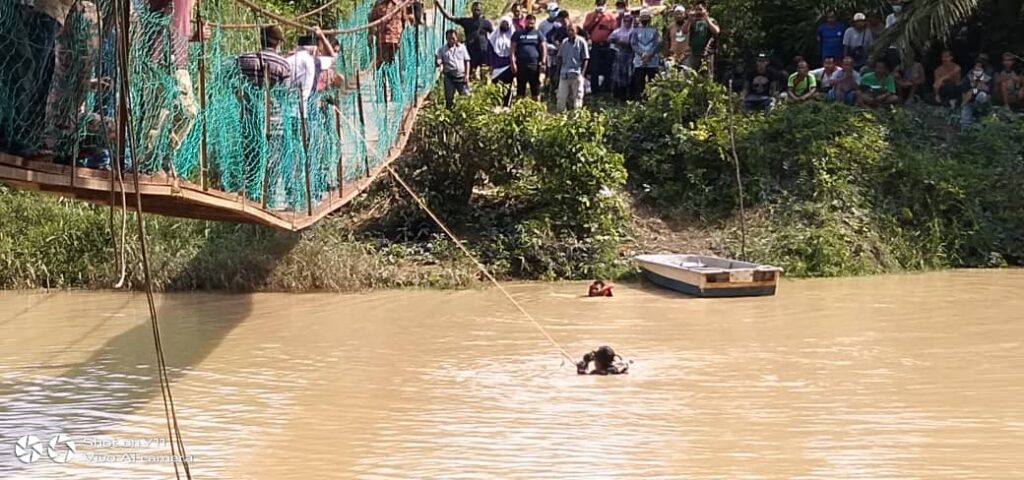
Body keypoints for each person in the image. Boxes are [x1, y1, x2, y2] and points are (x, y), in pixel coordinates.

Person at [0, 0, 75, 156]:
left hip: (50, 10)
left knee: (39, 75)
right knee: (24, 65)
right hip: (40, 9)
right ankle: (13, 133)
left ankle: (21, 135)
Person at [236, 26, 292, 204]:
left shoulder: (244, 59)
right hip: (275, 122)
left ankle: (252, 196)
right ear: (279, 43)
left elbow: (226, 72)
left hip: (250, 118)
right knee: (272, 163)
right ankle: (269, 200)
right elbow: (286, 93)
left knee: (251, 158)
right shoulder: (283, 64)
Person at [436, 1, 493, 80]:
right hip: (471, 51)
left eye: (478, 9)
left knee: (485, 75)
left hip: (484, 51)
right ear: (471, 10)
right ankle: (469, 90)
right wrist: (439, 5)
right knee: (470, 74)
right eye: (475, 8)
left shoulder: (486, 23)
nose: (477, 10)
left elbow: (494, 35)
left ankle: (485, 90)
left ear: (481, 10)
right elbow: (450, 17)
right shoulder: (466, 21)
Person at [583, 0, 618, 94]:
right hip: (595, 45)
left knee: (607, 68)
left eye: (602, 4)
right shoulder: (590, 15)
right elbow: (585, 28)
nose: (600, 6)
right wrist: (595, 17)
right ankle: (595, 90)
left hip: (607, 46)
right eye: (599, 4)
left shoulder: (610, 17)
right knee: (594, 68)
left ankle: (606, 89)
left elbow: (614, 31)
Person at [511, 14, 547, 101]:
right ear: (525, 22)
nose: (530, 25)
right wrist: (513, 63)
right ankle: (519, 109)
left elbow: (543, 47)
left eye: (532, 23)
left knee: (535, 88)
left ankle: (536, 109)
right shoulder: (518, 33)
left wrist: (543, 62)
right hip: (521, 65)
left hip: (534, 65)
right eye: (529, 23)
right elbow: (512, 49)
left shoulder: (538, 33)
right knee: (520, 88)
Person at [555, 20, 589, 112]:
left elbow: (585, 59)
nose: (570, 32)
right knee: (561, 98)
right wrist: (557, 73)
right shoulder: (564, 42)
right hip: (564, 74)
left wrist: (582, 74)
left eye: (572, 30)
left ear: (576, 31)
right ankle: (561, 118)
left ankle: (577, 118)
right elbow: (560, 57)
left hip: (576, 74)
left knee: (577, 97)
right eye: (568, 30)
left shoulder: (582, 42)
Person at [436, 29, 472, 109]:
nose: (451, 40)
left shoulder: (462, 48)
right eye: (449, 38)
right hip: (449, 77)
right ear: (446, 39)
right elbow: (439, 60)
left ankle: (466, 113)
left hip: (461, 77)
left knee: (466, 97)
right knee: (449, 98)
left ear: (456, 38)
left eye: (453, 38)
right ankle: (449, 114)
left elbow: (467, 61)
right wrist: (438, 62)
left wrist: (467, 75)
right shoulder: (442, 50)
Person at [629, 9, 659, 98]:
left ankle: (652, 99)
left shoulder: (654, 30)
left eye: (646, 17)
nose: (644, 19)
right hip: (639, 60)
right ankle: (640, 99)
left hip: (652, 60)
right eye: (643, 17)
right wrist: (642, 54)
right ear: (640, 18)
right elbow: (633, 44)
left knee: (653, 81)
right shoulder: (635, 31)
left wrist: (650, 54)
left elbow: (656, 43)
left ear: (649, 18)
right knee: (639, 82)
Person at [685, 0, 719, 76]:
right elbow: (684, 31)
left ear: (705, 10)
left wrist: (707, 19)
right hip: (694, 54)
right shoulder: (693, 22)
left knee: (707, 76)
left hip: (707, 54)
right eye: (696, 10)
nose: (698, 12)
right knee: (689, 75)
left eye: (700, 9)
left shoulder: (711, 20)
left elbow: (716, 31)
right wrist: (688, 20)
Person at [961, 55, 992, 127]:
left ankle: (982, 116)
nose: (977, 69)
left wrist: (976, 88)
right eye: (976, 66)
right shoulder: (968, 78)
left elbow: (988, 91)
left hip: (983, 105)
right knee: (964, 123)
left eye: (980, 67)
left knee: (982, 95)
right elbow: (964, 93)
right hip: (970, 103)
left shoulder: (987, 78)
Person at [369, 0, 404, 67]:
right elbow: (372, 19)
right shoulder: (379, 4)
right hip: (382, 40)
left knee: (395, 64)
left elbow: (405, 19)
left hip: (396, 40)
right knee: (381, 63)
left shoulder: (400, 3)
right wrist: (371, 34)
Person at [609, 13, 634, 100]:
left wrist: (627, 42)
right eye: (625, 21)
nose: (627, 23)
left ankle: (629, 96)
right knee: (618, 76)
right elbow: (609, 39)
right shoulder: (618, 31)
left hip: (630, 57)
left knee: (629, 76)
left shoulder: (633, 31)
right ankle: (619, 96)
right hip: (619, 56)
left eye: (629, 21)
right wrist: (617, 40)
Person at [489, 16, 516, 96]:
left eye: (506, 23)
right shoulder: (493, 36)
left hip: (509, 66)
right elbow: (489, 52)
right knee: (496, 89)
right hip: (496, 66)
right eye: (503, 23)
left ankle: (506, 105)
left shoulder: (514, 36)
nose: (504, 25)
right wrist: (490, 64)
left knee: (507, 88)